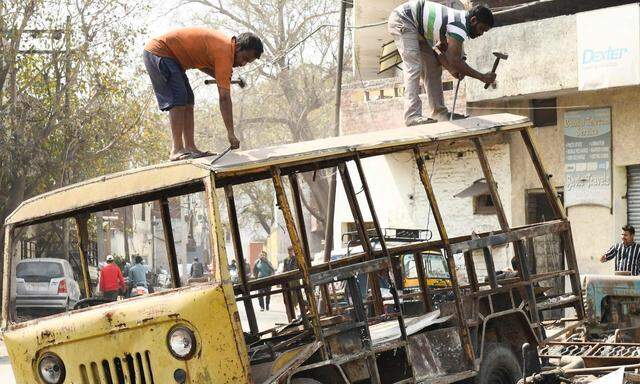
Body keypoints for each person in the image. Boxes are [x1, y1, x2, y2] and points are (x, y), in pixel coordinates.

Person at [143, 28, 264, 161]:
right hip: (160, 52)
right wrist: (231, 133)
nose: (242, 64)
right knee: (179, 98)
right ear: (238, 47)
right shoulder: (224, 52)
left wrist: (220, 76)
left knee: (188, 99)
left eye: (247, 62)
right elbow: (224, 98)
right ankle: (177, 149)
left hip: (172, 58)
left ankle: (190, 147)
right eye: (244, 58)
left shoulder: (223, 47)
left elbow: (200, 63)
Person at [388, 1, 496, 126]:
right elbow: (455, 60)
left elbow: (438, 50)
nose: (481, 34)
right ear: (473, 20)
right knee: (414, 66)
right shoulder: (458, 25)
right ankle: (412, 116)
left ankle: (440, 113)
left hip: (419, 30)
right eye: (481, 29)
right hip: (404, 18)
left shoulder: (457, 25)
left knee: (433, 67)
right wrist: (482, 77)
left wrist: (451, 69)